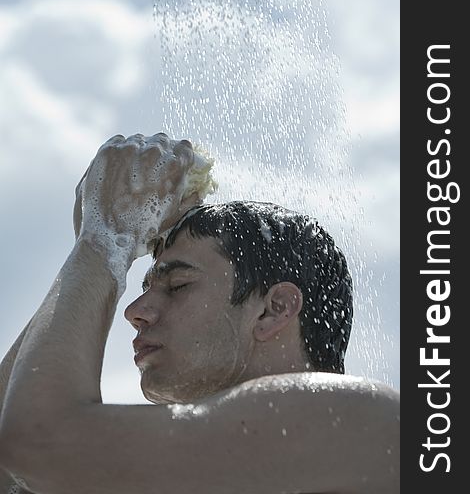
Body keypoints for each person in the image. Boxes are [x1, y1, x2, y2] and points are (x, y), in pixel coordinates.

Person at [0, 133, 399, 494]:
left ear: (273, 310)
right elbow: (13, 459)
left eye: (177, 286)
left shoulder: (349, 417)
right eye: (146, 289)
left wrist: (101, 243)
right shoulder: (210, 465)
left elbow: (37, 440)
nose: (135, 312)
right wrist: (96, 246)